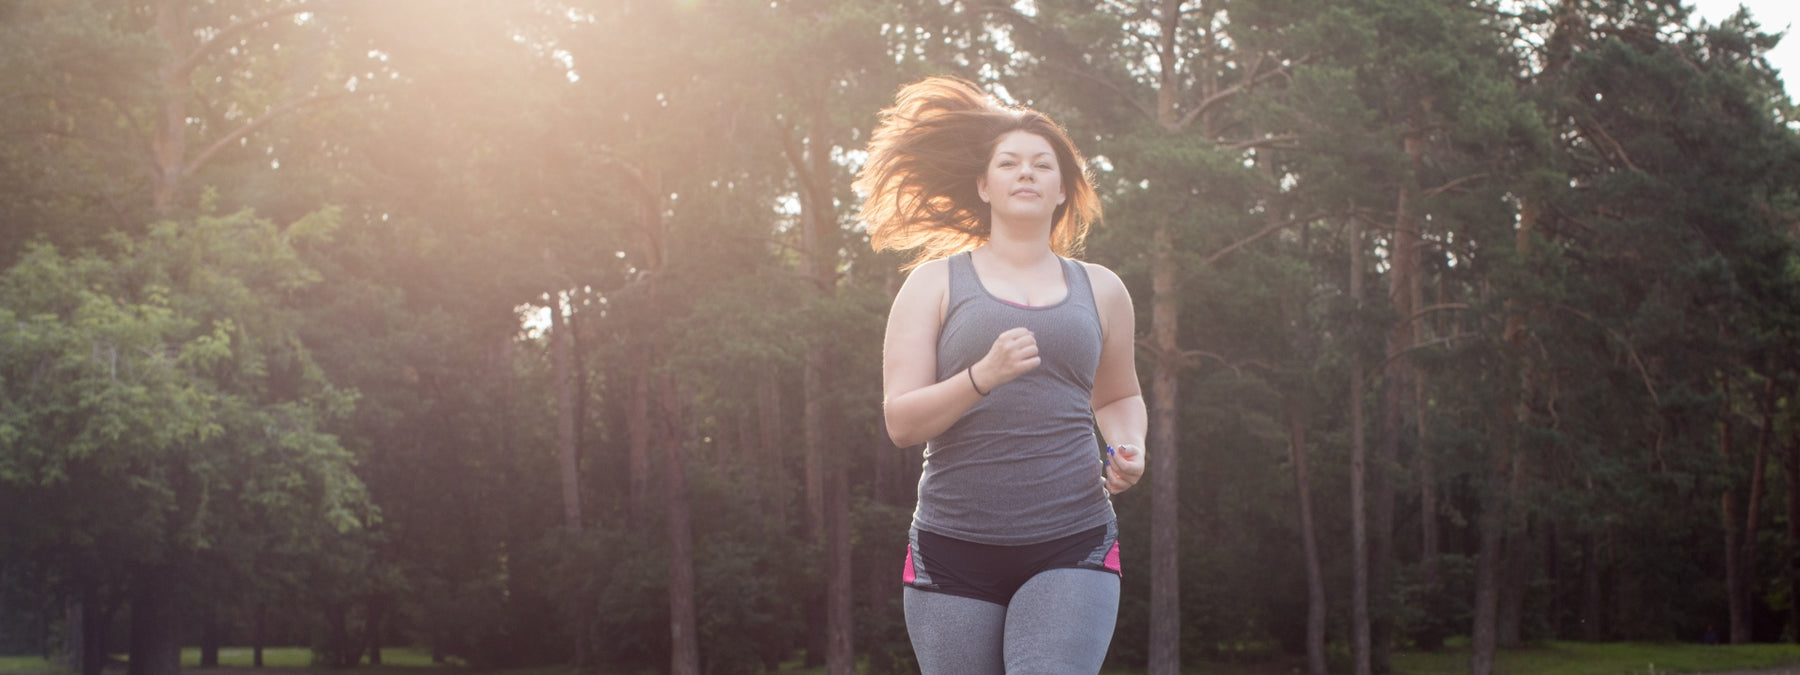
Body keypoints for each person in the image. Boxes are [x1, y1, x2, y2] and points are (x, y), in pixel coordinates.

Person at [856, 76, 1148, 674]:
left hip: (1073, 538)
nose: (1026, 173)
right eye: (1009, 162)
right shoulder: (934, 284)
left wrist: (1128, 446)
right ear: (984, 185)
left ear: (1062, 189)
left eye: (1043, 164)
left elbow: (1118, 394)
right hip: (952, 549)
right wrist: (981, 376)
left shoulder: (1103, 290)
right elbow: (901, 422)